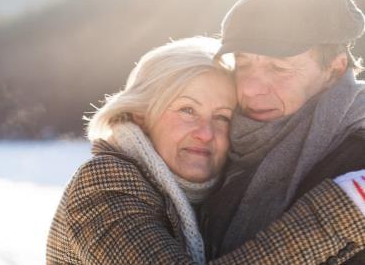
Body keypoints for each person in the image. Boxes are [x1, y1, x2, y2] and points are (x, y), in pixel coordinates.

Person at [46, 37, 365, 264]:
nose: (205, 133)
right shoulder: (104, 186)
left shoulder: (213, 198)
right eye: (187, 110)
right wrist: (346, 206)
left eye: (222, 117)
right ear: (141, 116)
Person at [201, 0, 365, 264]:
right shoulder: (214, 138)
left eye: (278, 68)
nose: (251, 88)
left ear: (334, 69)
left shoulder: (356, 165)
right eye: (243, 63)